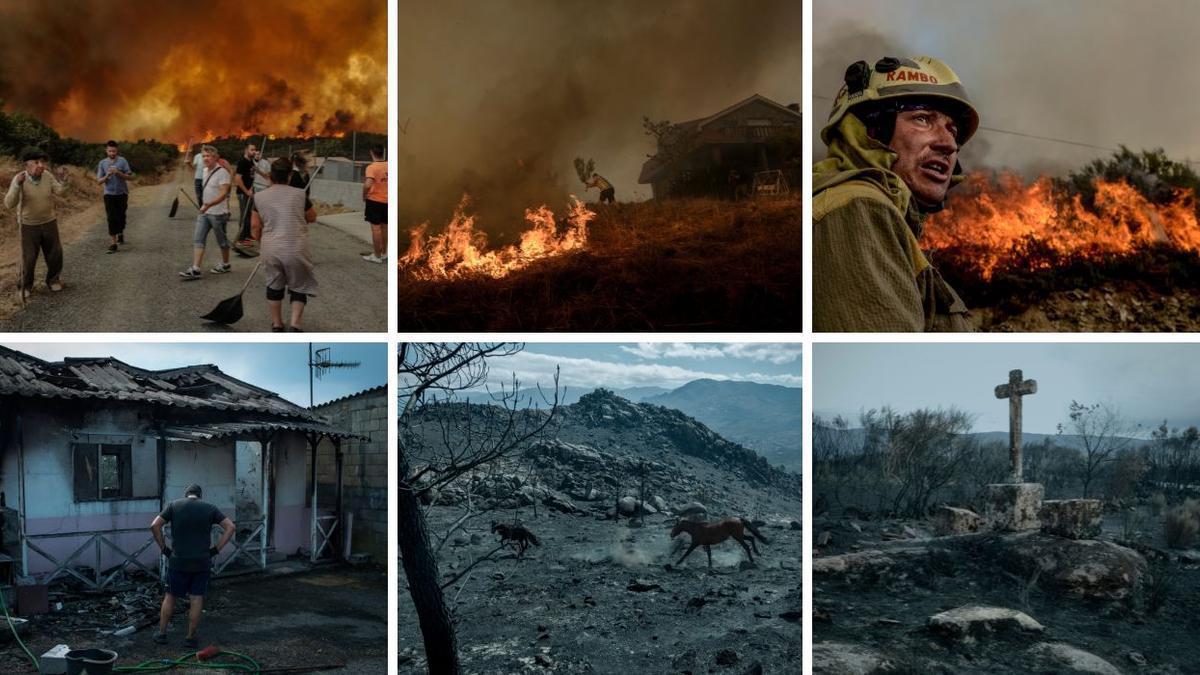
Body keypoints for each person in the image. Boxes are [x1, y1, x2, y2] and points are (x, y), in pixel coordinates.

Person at [813, 56, 979, 332]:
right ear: (871, 131)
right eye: (923, 119)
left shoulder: (887, 217)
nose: (949, 144)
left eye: (953, 130)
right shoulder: (857, 208)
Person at [150, 484, 235, 648]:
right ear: (199, 496)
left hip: (178, 561)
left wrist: (164, 549)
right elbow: (231, 527)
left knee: (171, 596)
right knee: (196, 598)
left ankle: (161, 634)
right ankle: (190, 637)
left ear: (186, 494)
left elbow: (154, 525)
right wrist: (216, 549)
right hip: (201, 562)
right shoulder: (210, 508)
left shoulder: (174, 506)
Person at [252, 157, 318, 332]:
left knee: (274, 284)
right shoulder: (300, 194)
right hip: (296, 248)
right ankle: (295, 325)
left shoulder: (258, 197)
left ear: (270, 176)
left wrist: (262, 245)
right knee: (299, 285)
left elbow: (255, 226)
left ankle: (277, 324)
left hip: (271, 248)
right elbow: (312, 217)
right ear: (289, 175)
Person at [4, 148, 69, 300]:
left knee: (55, 254)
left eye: (42, 162)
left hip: (49, 221)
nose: (41, 165)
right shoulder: (19, 179)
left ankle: (53, 280)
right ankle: (25, 286)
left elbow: (61, 192)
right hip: (28, 225)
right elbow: (9, 204)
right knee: (29, 258)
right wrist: (17, 186)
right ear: (27, 164)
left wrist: (64, 180)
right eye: (36, 162)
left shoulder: (47, 176)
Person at [179, 145, 233, 279]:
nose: (205, 158)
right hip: (205, 212)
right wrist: (205, 206)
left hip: (218, 213)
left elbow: (224, 193)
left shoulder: (222, 173)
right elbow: (200, 180)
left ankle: (226, 264)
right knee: (198, 239)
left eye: (208, 156)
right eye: (203, 156)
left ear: (215, 158)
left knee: (222, 241)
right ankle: (196, 268)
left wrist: (209, 204)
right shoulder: (204, 171)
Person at [96, 140, 133, 253]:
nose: (112, 153)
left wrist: (118, 173)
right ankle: (113, 243)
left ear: (117, 151)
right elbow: (99, 181)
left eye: (114, 151)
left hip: (122, 193)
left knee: (121, 216)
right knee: (111, 218)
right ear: (106, 151)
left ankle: (120, 231)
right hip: (109, 194)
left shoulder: (122, 161)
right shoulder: (102, 163)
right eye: (110, 151)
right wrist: (107, 176)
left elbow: (130, 177)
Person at [362, 144, 387, 263]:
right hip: (387, 201)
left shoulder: (372, 167)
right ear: (383, 152)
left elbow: (368, 184)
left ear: (371, 153)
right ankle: (384, 253)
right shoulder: (389, 165)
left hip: (375, 201)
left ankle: (376, 256)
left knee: (376, 229)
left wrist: (364, 195)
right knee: (385, 227)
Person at [233, 143, 258, 250]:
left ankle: (246, 238)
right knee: (245, 217)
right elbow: (237, 179)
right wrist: (246, 191)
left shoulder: (250, 161)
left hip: (250, 192)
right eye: (252, 150)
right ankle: (241, 240)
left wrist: (264, 175)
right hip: (243, 193)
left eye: (255, 150)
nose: (254, 152)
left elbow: (254, 172)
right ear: (246, 150)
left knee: (249, 216)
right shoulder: (242, 162)